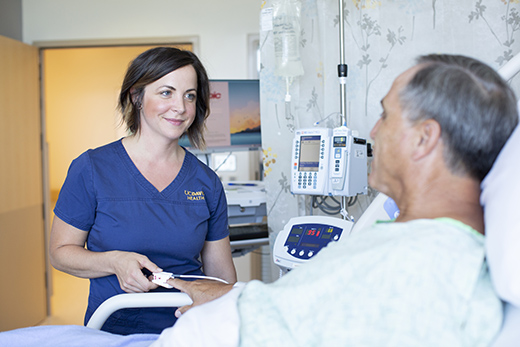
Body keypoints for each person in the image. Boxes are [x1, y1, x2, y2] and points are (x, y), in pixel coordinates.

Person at [149, 54, 519, 346]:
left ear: (424, 138)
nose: (373, 131)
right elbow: (316, 305)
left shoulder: (421, 263)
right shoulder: (407, 243)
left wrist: (236, 304)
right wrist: (236, 296)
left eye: (386, 116)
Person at [49, 47, 237, 335]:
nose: (180, 107)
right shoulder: (92, 168)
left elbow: (223, 278)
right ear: (137, 97)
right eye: (166, 93)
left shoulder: (206, 182)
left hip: (188, 328)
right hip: (115, 327)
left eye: (190, 95)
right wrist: (114, 261)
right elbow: (61, 253)